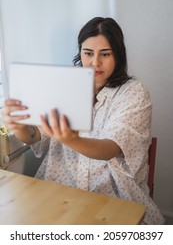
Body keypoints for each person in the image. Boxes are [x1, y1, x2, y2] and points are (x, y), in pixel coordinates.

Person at [2, 17, 164, 224]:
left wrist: (71, 139)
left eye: (105, 54)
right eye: (88, 53)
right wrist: (19, 124)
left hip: (117, 200)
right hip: (58, 192)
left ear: (118, 55)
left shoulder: (134, 93)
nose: (95, 62)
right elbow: (33, 136)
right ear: (80, 52)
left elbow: (110, 148)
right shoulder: (64, 86)